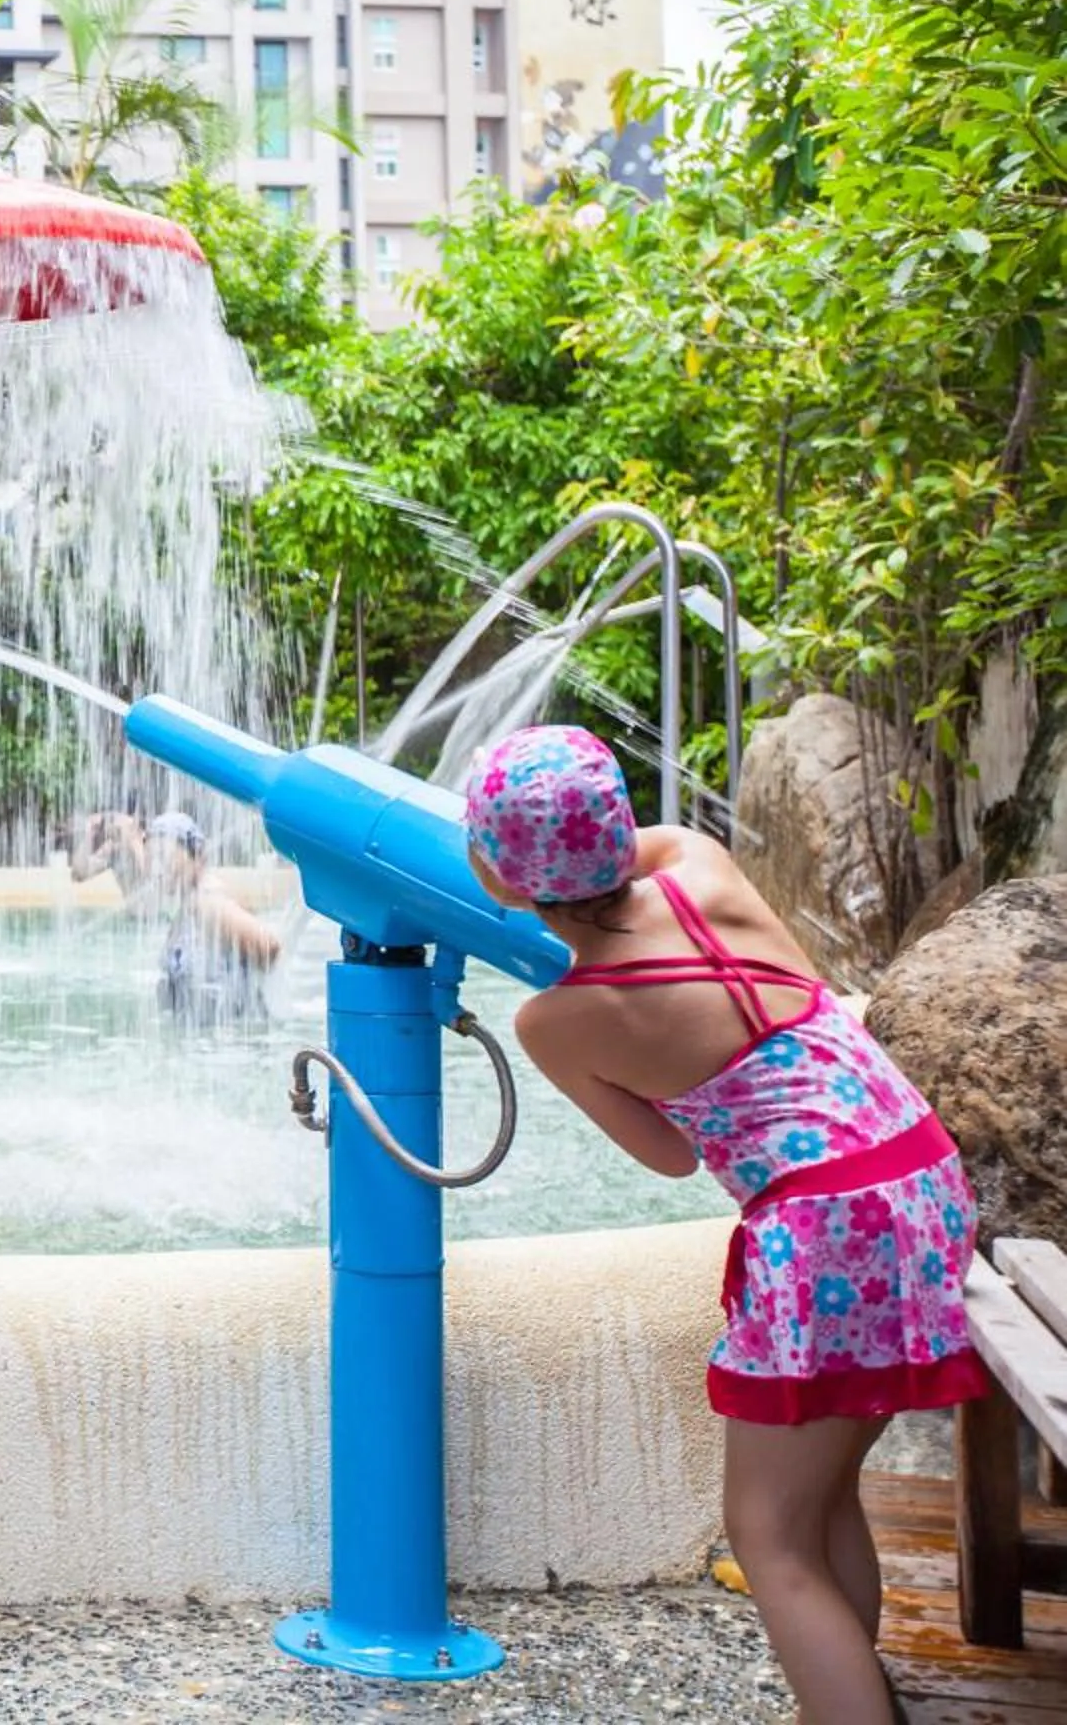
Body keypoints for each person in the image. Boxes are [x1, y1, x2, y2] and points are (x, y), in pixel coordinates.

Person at [467, 724, 988, 1725]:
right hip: (918, 1176)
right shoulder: (701, 866)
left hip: (825, 1227)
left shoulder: (557, 1020)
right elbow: (638, 853)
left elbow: (667, 1153)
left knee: (770, 1537)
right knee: (823, 1497)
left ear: (501, 879)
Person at [146, 811, 280, 1027]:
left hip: (228, 1041)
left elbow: (268, 946)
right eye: (152, 859)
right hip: (211, 1037)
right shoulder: (190, 904)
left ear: (197, 854)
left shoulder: (207, 902)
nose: (157, 869)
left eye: (164, 857)